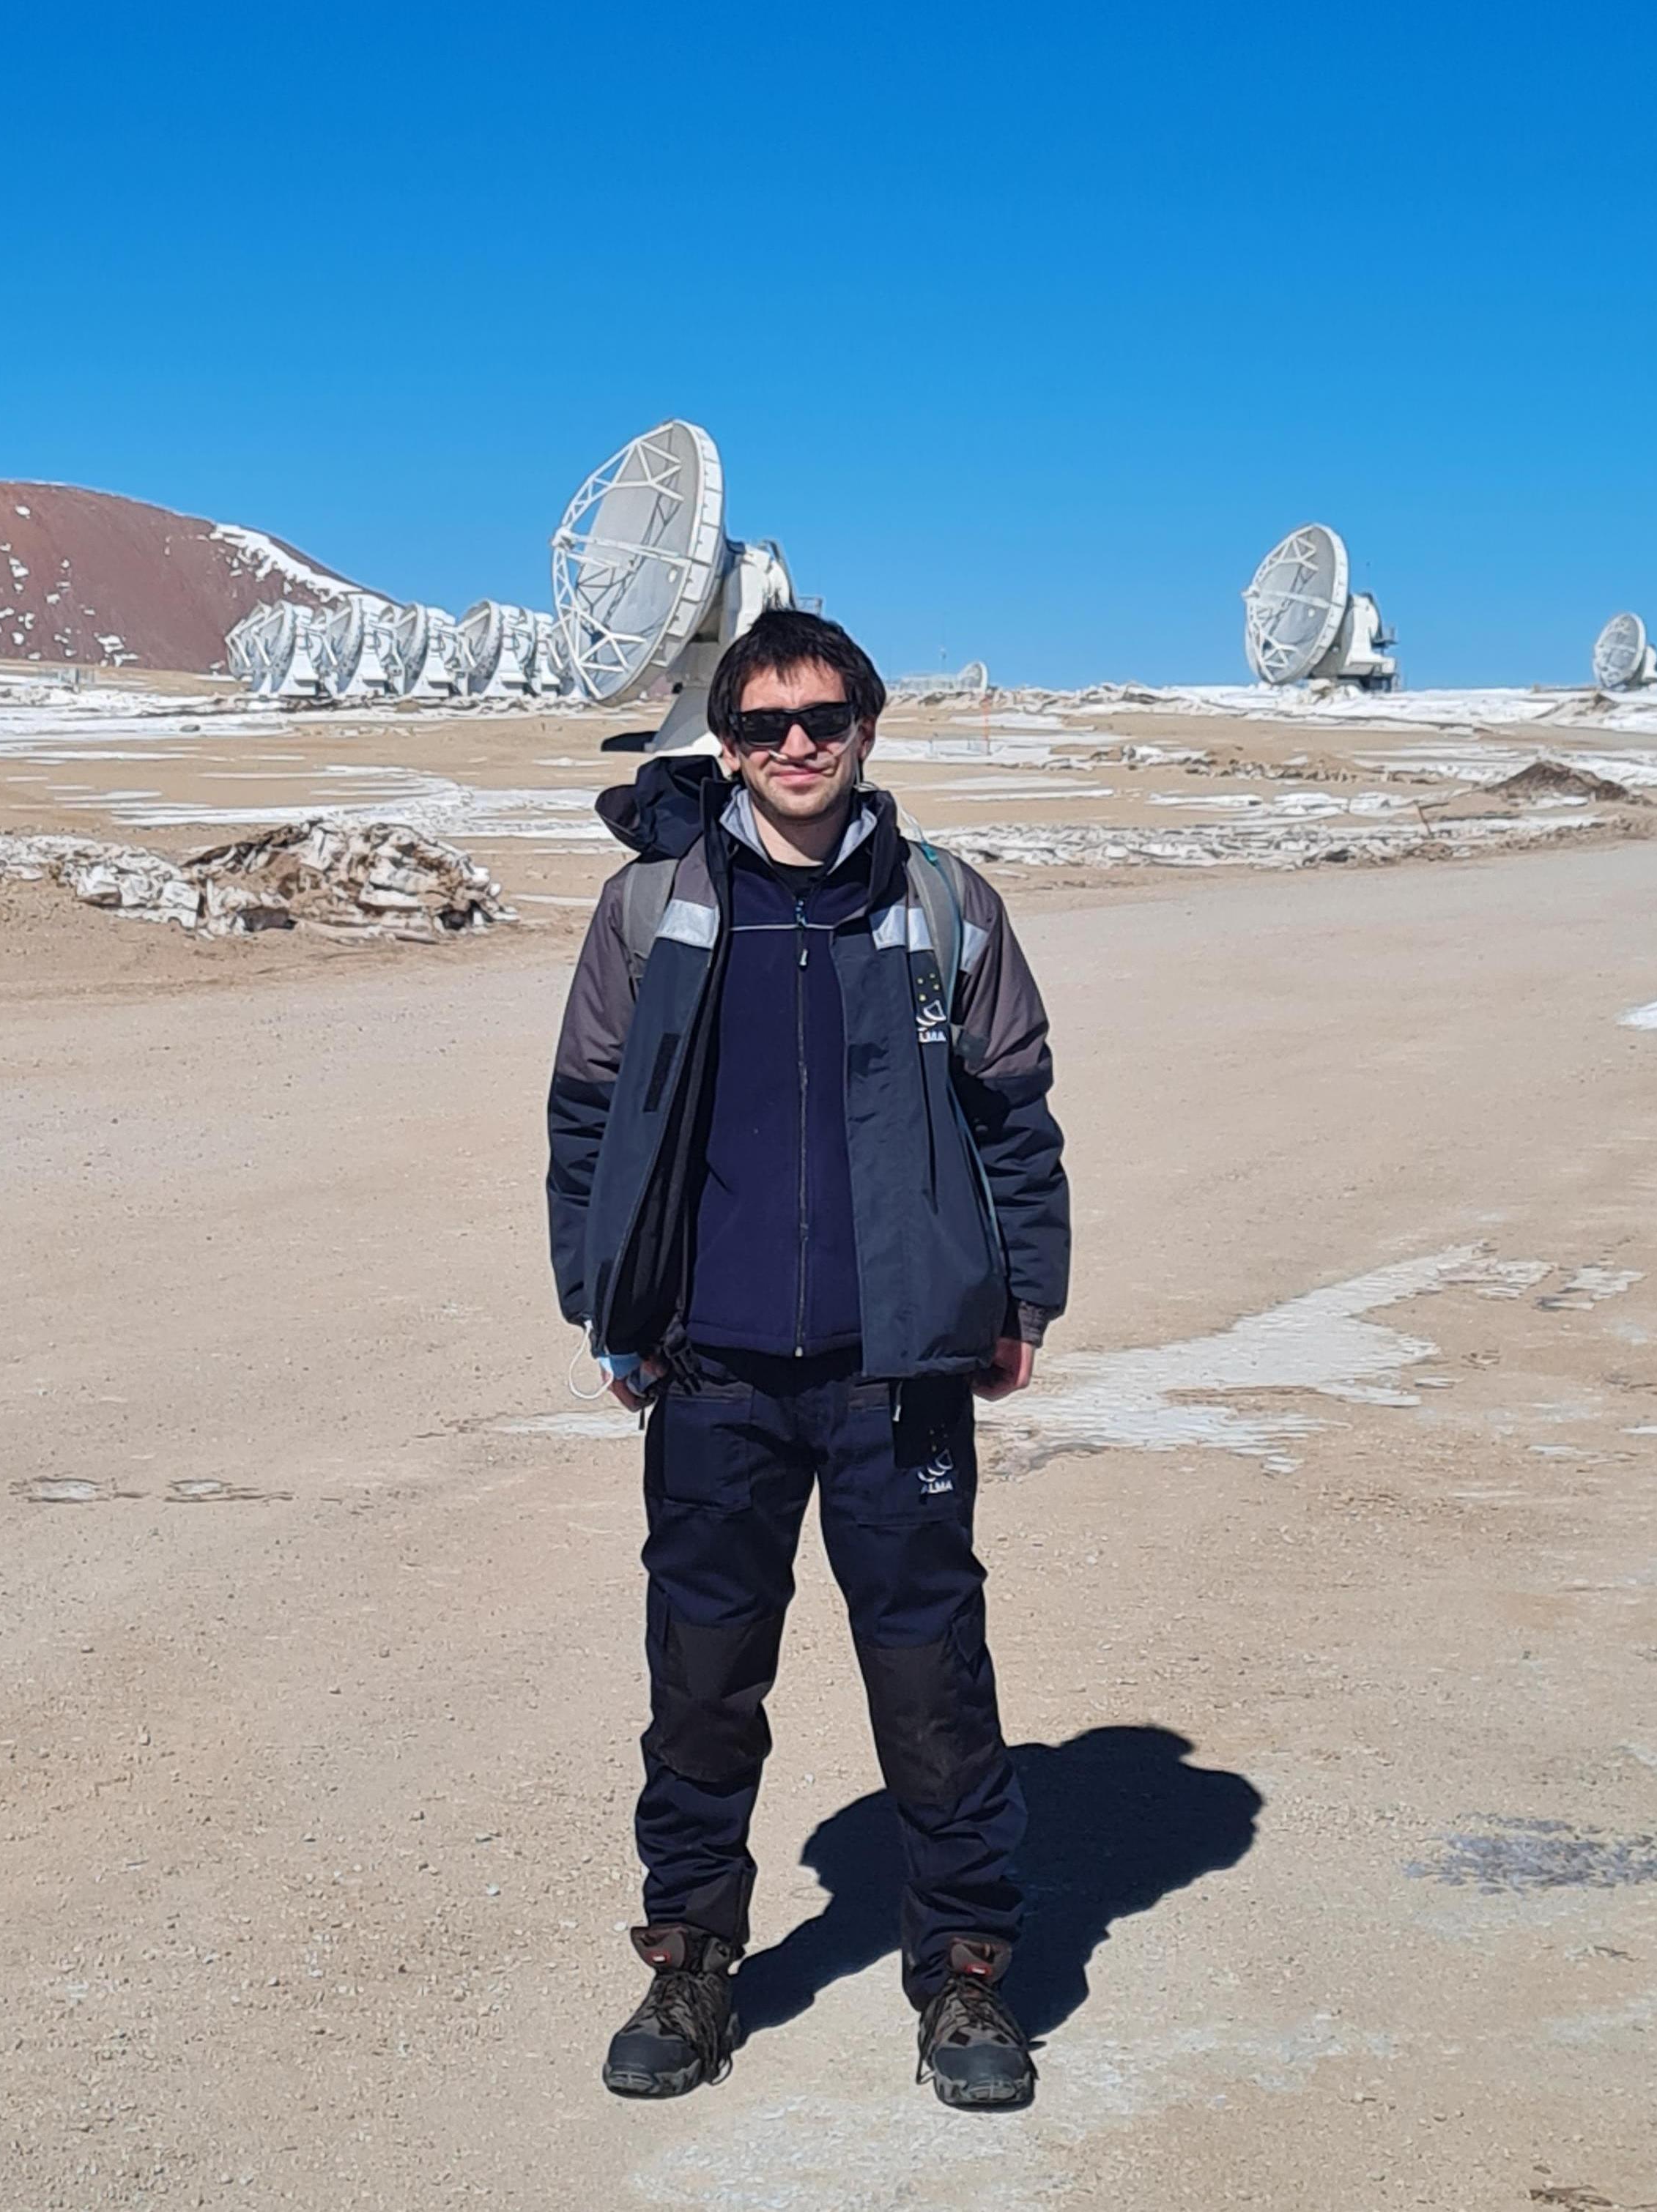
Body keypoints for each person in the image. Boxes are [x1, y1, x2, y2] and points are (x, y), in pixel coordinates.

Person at [544, 608, 1070, 2110]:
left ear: (865, 730)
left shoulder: (941, 905)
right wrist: (607, 1298)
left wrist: (1018, 1292)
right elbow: (586, 1118)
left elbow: (1010, 1116)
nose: (794, 746)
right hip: (709, 1366)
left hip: (893, 1366)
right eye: (765, 723)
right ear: (723, 742)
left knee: (930, 1674)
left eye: (821, 719)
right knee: (703, 1678)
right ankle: (689, 1955)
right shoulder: (652, 908)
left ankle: (965, 1975)